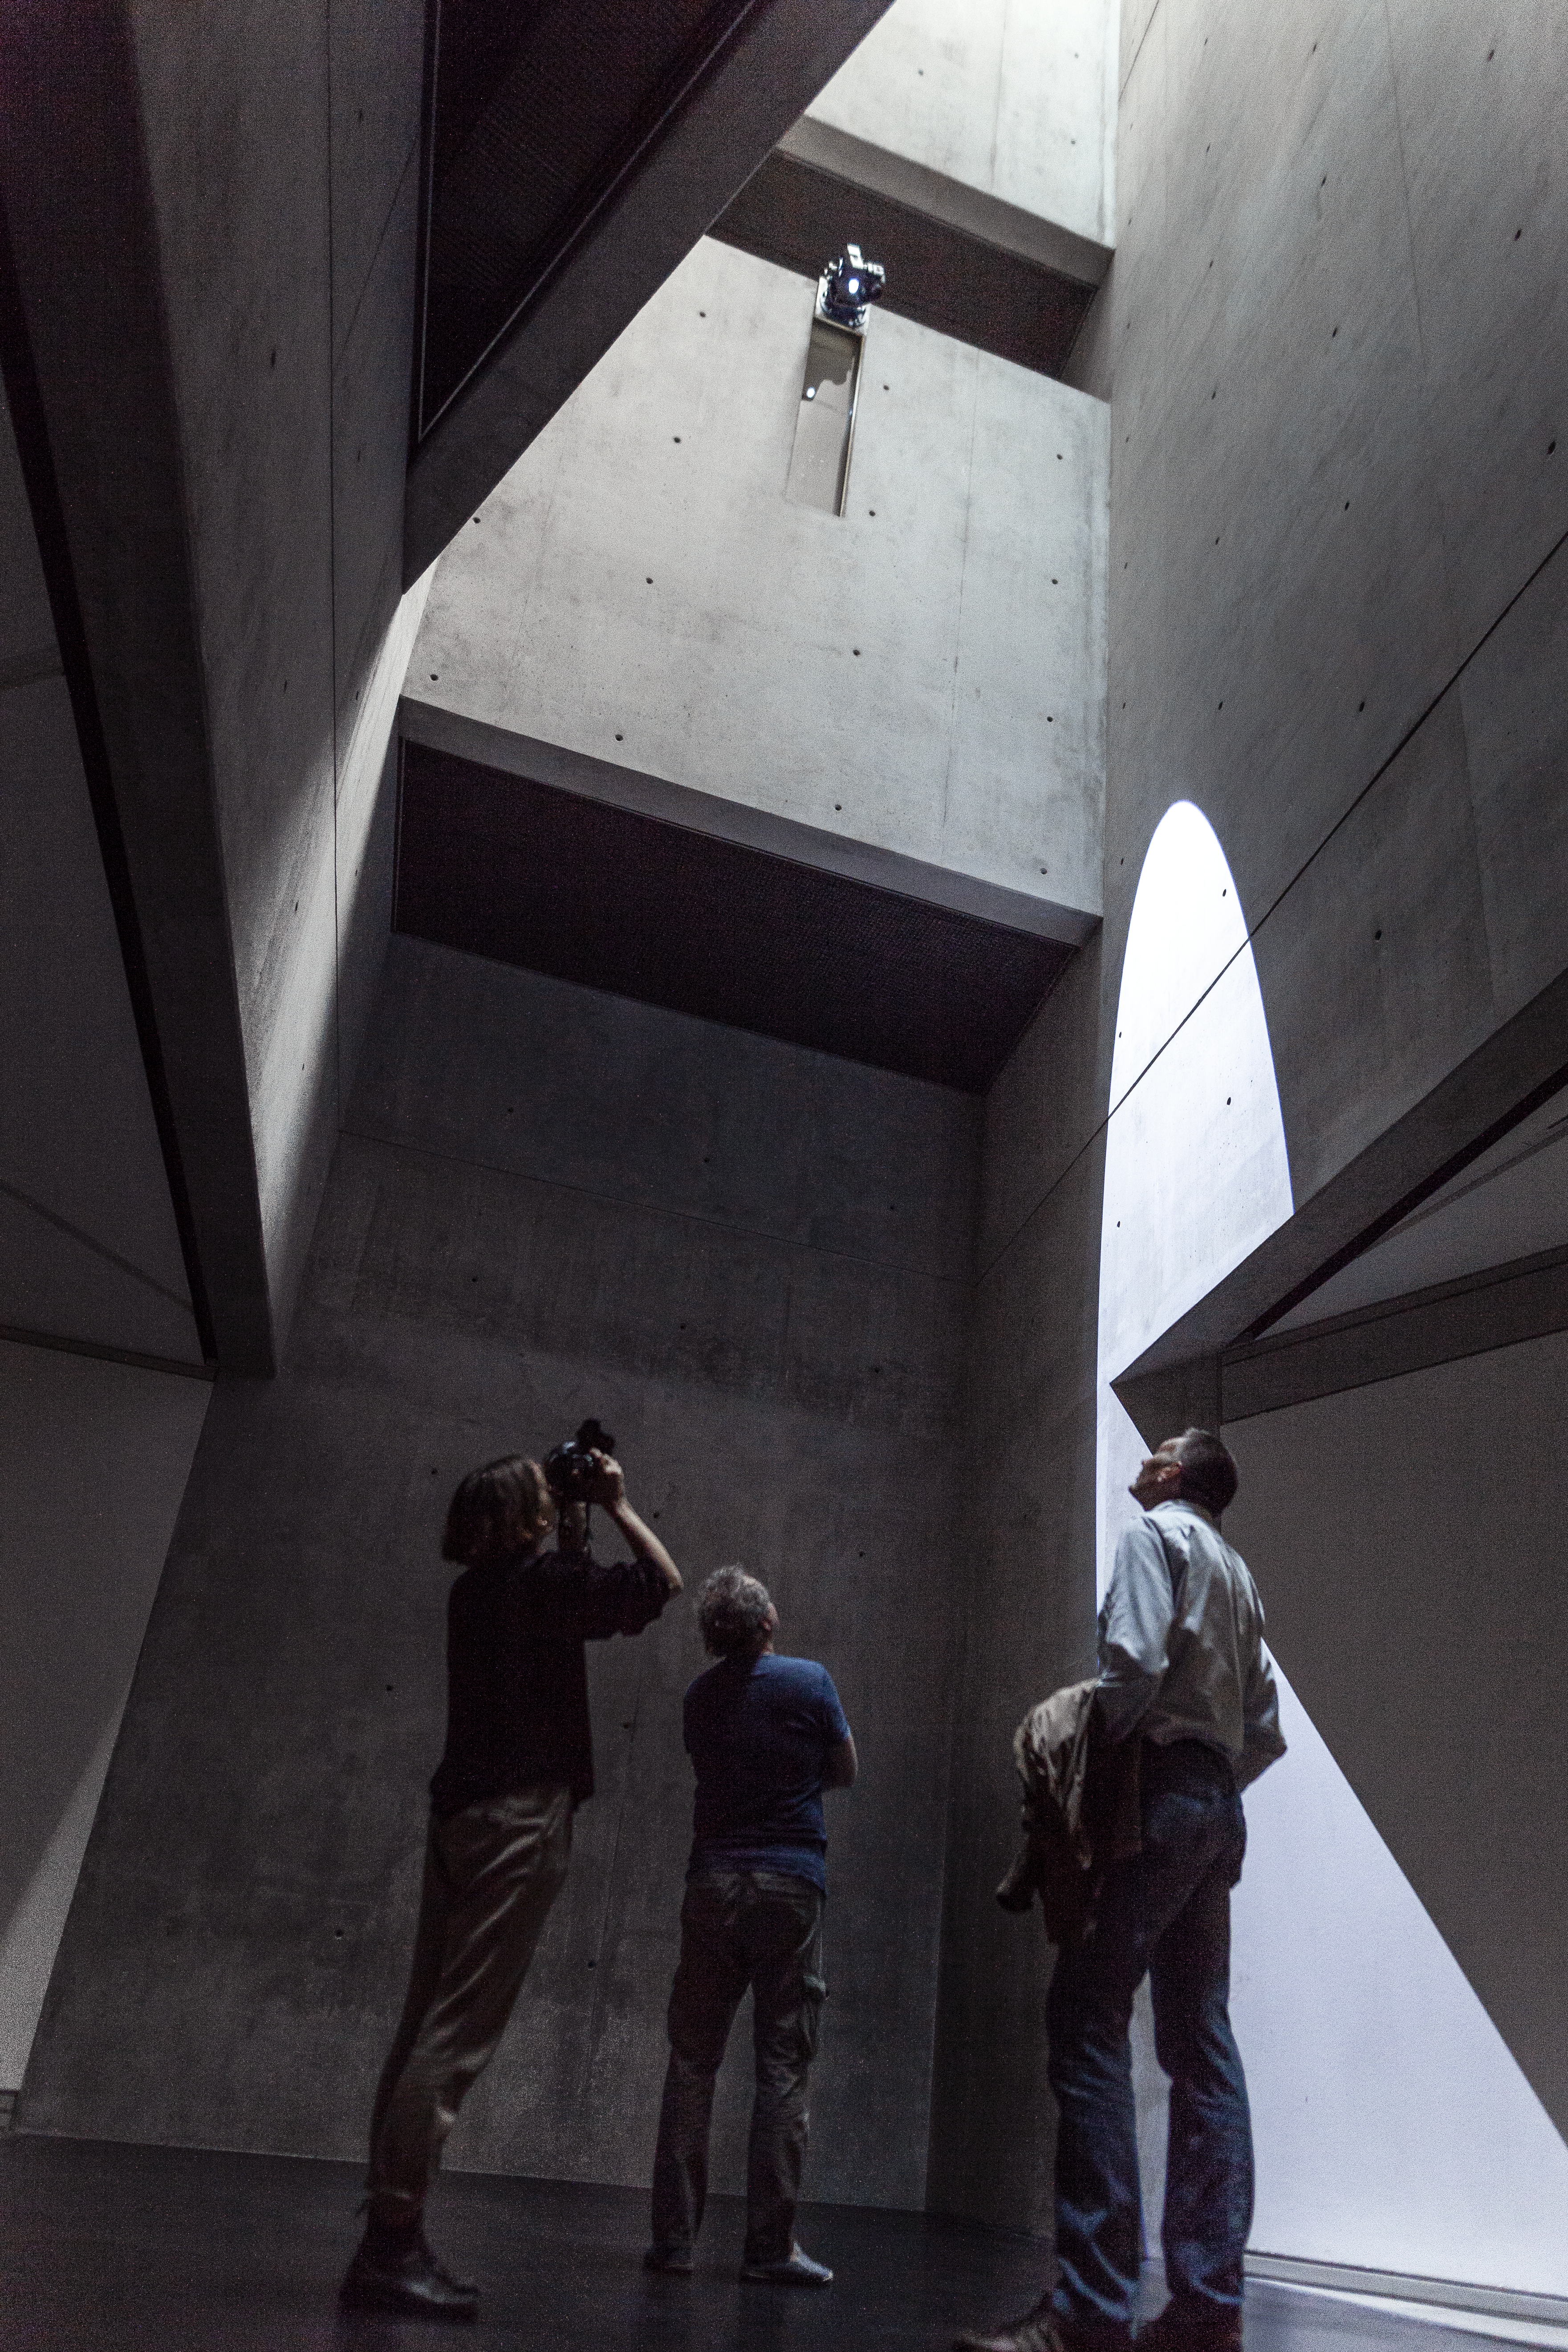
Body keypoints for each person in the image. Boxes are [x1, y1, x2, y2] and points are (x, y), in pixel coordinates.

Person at [957, 1429, 1285, 2352]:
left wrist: (1092, 1763)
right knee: (1201, 2044)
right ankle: (1206, 2308)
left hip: (1156, 1788)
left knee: (1087, 2017)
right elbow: (1264, 1728)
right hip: (1218, 1805)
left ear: (1175, 1474)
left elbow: (1132, 1666)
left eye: (1159, 1451)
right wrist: (1204, 1789)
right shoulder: (1240, 1574)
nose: (1144, 1461)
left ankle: (1092, 2309)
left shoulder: (1157, 1538)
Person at [344, 1445, 681, 2320]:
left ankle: (390, 2231)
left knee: (425, 2018)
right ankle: (389, 2241)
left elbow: (562, 1588)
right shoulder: (543, 1587)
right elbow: (659, 1584)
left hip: (458, 1814)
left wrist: (565, 1526)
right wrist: (615, 1501)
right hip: (519, 1820)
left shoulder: (478, 1590)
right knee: (455, 2036)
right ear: (530, 1514)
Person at [645, 1566, 856, 2287]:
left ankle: (674, 2243)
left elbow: (717, 1768)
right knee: (783, 2064)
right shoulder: (810, 1681)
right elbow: (844, 1768)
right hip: (790, 1883)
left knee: (693, 2060)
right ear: (765, 1620)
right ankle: (769, 2249)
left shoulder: (699, 1697)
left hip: (711, 1882)